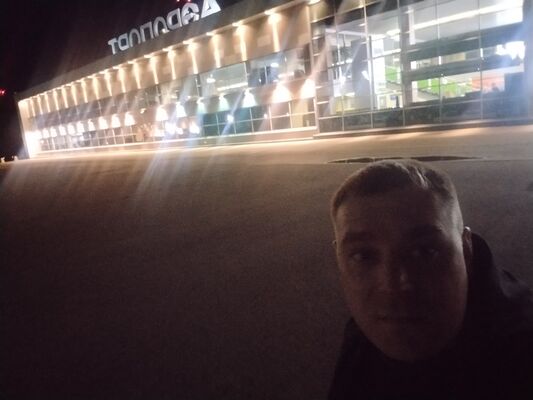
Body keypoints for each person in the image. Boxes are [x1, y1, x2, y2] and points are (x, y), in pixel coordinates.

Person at [328, 160, 533, 399]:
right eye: (363, 256)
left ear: (466, 250)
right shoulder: (360, 338)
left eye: (424, 252)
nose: (393, 285)